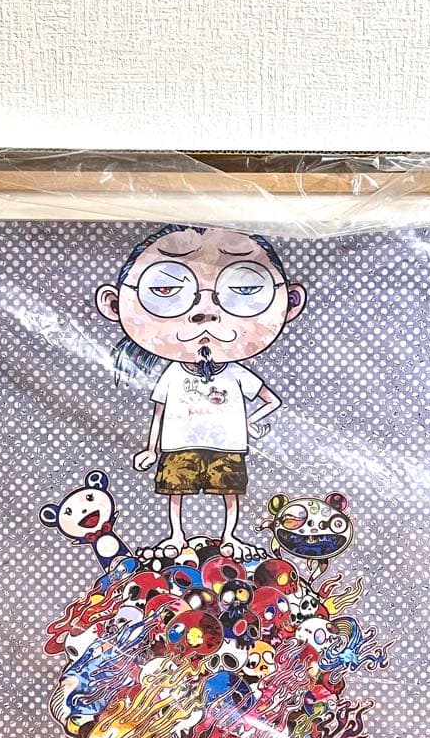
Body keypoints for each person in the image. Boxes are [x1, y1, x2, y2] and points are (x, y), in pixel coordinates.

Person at [95, 224, 306, 561]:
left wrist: (250, 423)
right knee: (175, 490)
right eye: (164, 289)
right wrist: (151, 449)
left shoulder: (235, 372)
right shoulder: (174, 372)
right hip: (178, 444)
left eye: (245, 288)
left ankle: (229, 537)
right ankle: (176, 536)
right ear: (113, 304)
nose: (205, 312)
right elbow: (160, 412)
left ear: (291, 302)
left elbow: (271, 400)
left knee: (229, 492)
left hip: (228, 444)